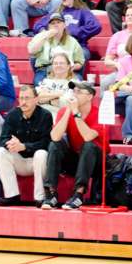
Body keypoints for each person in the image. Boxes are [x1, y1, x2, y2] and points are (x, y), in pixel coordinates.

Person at [42, 81, 104, 210]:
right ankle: (51, 193)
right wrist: (68, 111)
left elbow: (87, 137)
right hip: (76, 159)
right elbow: (55, 137)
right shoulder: (66, 111)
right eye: (74, 91)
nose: (75, 95)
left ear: (90, 96)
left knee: (88, 146)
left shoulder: (99, 114)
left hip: (97, 163)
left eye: (79, 92)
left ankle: (78, 194)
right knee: (55, 145)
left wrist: (76, 112)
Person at [0, 84, 52, 206]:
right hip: (19, 161)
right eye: (21, 98)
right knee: (0, 152)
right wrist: (11, 144)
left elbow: (46, 143)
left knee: (41, 154)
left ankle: (40, 197)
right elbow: (3, 139)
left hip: (38, 162)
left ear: (36, 99)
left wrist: (24, 146)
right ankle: (12, 195)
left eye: (27, 98)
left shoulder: (45, 115)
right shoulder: (12, 115)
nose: (23, 102)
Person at [32, 0, 101, 61]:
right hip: (57, 47)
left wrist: (75, 32)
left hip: (78, 46)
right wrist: (46, 32)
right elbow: (37, 25)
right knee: (36, 57)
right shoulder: (58, 11)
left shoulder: (83, 11)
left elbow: (96, 26)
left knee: (82, 54)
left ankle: (76, 73)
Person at [28, 13, 85, 84]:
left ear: (64, 25)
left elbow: (79, 62)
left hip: (66, 70)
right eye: (52, 23)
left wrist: (71, 67)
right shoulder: (41, 37)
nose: (56, 25)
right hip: (45, 69)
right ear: (49, 26)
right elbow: (31, 51)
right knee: (38, 84)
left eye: (58, 22)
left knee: (77, 83)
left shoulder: (72, 41)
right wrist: (45, 36)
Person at [36, 51, 74, 117]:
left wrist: (47, 100)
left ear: (68, 66)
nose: (58, 65)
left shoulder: (73, 83)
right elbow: (37, 98)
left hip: (62, 118)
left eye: (61, 63)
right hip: (42, 118)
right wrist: (60, 94)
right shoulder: (46, 81)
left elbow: (68, 104)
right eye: (55, 63)